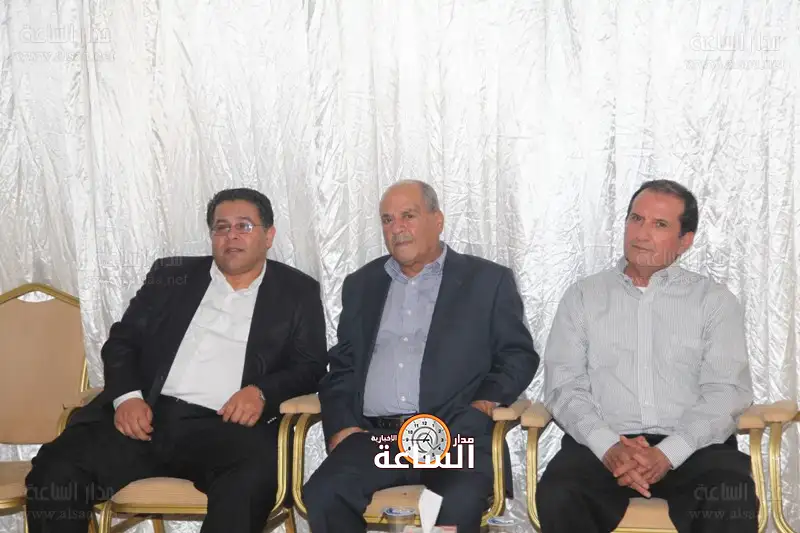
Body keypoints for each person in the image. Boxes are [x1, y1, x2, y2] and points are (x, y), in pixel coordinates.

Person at [25, 188, 328, 533]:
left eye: (243, 226)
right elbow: (123, 342)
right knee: (55, 470)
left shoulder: (296, 291)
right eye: (221, 227)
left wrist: (261, 392)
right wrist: (127, 398)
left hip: (225, 428)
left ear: (268, 236)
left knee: (250, 479)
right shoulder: (171, 276)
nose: (231, 236)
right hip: (146, 417)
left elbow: (310, 366)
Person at [302, 179, 539, 533]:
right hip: (379, 439)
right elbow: (343, 366)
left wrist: (484, 402)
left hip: (455, 435)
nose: (397, 228)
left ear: (437, 220)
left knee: (457, 502)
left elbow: (518, 355)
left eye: (408, 216)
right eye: (387, 220)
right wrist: (341, 427)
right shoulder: (363, 284)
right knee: (324, 493)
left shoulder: (486, 280)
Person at [538, 179, 757, 533]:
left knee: (730, 495)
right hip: (605, 446)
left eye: (659, 224)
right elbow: (564, 385)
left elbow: (727, 391)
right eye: (636, 219)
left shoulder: (714, 301)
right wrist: (609, 447)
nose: (642, 234)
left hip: (693, 448)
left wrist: (668, 453)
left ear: (685, 240)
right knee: (559, 492)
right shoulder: (583, 296)